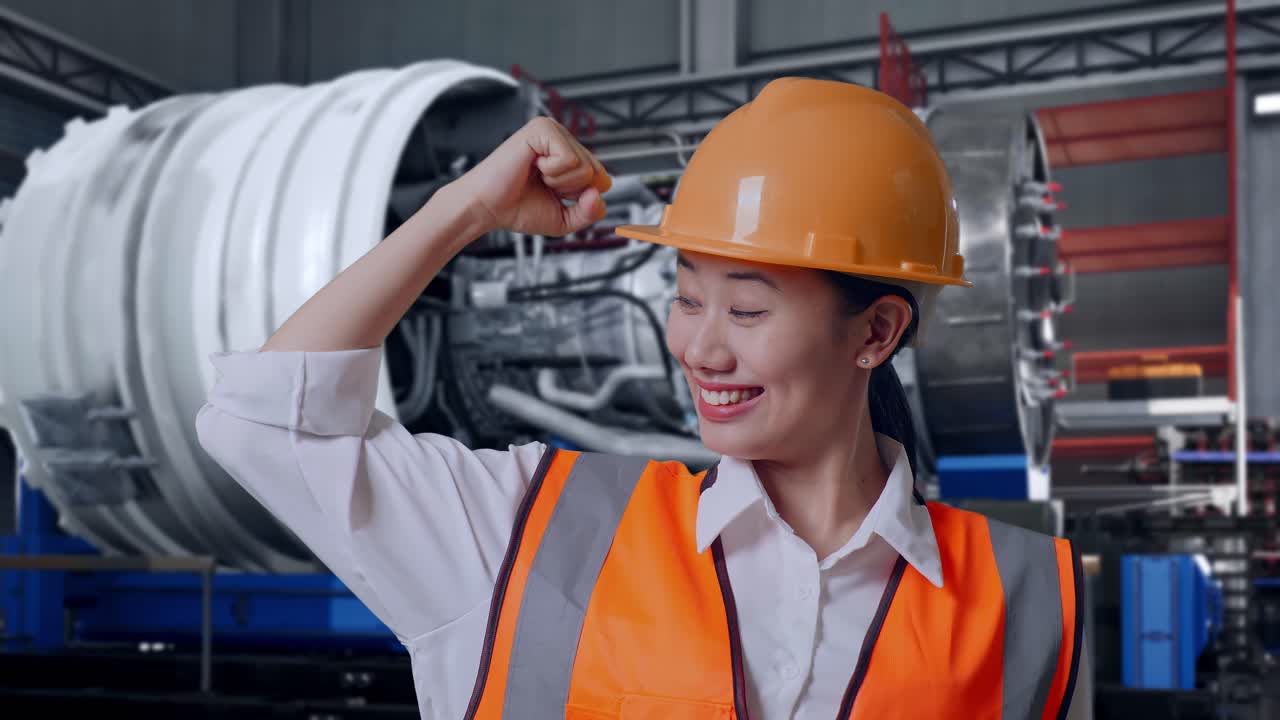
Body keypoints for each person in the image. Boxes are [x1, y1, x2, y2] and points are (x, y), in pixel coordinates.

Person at [196, 77, 1092, 719]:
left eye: (746, 308)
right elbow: (266, 421)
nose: (698, 347)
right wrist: (464, 210)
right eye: (686, 295)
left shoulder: (1029, 604)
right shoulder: (525, 531)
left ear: (876, 334)